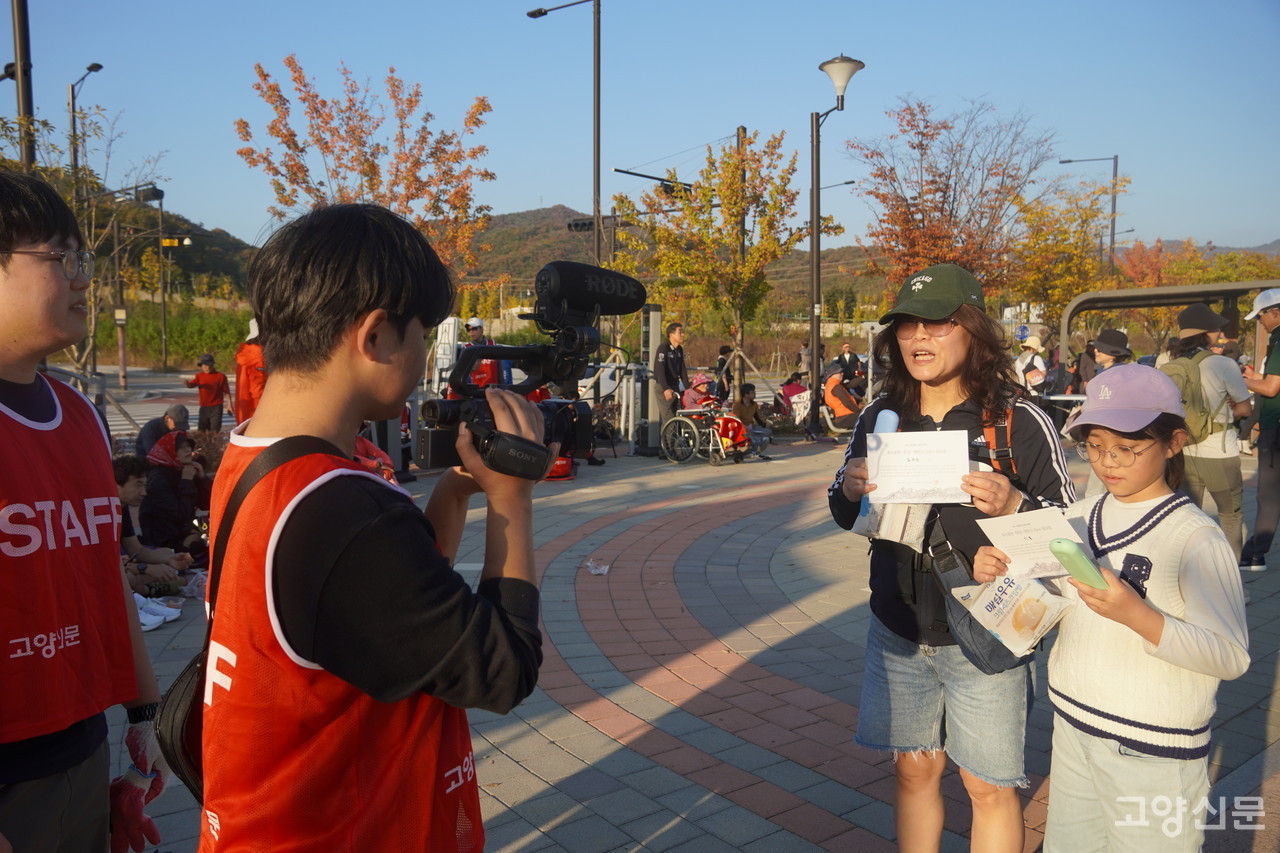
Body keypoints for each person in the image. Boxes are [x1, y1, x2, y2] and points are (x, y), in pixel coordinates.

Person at [198, 203, 546, 850]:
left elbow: (393, 609)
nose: (423, 355)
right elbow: (502, 669)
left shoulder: (257, 457)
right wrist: (513, 500)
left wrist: (457, 487)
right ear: (377, 335)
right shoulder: (341, 508)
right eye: (423, 332)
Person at [828, 263, 1074, 853]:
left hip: (989, 632)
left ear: (973, 331)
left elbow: (1069, 533)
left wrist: (1015, 504)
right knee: (913, 770)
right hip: (898, 631)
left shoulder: (1018, 420)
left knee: (988, 786)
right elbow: (843, 511)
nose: (918, 338)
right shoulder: (879, 417)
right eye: (908, 325)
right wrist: (851, 488)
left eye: (937, 324)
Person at [977, 364, 1249, 851]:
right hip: (1074, 727)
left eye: (1126, 447)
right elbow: (1056, 601)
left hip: (1154, 751)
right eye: (1095, 445)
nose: (1108, 462)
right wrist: (1003, 574)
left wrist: (1137, 615)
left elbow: (1230, 656)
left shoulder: (1195, 538)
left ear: (1173, 443)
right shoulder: (1079, 516)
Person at [0, 169, 168, 852]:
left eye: (83, 259)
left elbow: (105, 572)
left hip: (81, 745)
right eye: (61, 258)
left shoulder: (79, 415)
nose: (82, 278)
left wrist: (143, 709)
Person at [1167, 304, 1252, 562]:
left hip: (1184, 448)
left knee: (1187, 516)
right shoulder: (1224, 364)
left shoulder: (1174, 363)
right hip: (1219, 452)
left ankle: (1189, 575)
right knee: (1230, 515)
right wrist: (1233, 408)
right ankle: (1231, 581)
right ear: (1206, 333)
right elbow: (1246, 409)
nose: (1219, 333)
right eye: (1215, 328)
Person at [113, 455, 194, 596]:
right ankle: (144, 593)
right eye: (138, 485)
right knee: (130, 577)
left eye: (144, 485)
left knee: (167, 555)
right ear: (116, 484)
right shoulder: (101, 510)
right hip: (107, 569)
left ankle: (145, 589)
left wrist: (169, 559)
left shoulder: (122, 507)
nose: (144, 493)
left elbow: (136, 549)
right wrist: (144, 568)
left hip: (122, 562)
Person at [1240, 287, 1280, 572]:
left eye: (1261, 316)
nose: (1260, 323)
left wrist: (1243, 381)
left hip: (1275, 427)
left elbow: (1272, 387)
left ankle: (1254, 554)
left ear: (1273, 312)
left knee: (1268, 495)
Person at [139, 431, 209, 554]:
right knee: (200, 544)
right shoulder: (158, 478)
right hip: (163, 538)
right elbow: (179, 513)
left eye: (188, 446)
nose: (188, 450)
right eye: (181, 448)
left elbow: (207, 504)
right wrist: (186, 482)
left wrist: (202, 478)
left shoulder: (184, 470)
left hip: (183, 529)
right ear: (171, 452)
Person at [186, 353, 233, 432]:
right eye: (204, 365)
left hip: (216, 408)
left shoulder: (220, 376)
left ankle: (214, 444)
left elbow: (227, 392)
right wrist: (187, 384)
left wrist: (230, 405)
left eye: (209, 365)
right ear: (201, 366)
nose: (206, 368)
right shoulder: (199, 376)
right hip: (204, 408)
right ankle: (202, 444)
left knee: (215, 430)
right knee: (201, 431)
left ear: (213, 365)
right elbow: (191, 385)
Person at [653, 321, 688, 426]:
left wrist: (687, 387)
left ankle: (677, 442)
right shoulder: (663, 348)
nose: (682, 335)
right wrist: (665, 388)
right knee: (669, 420)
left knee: (679, 418)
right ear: (671, 334)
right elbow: (660, 369)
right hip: (664, 386)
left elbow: (682, 369)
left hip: (675, 385)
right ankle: (667, 442)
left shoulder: (679, 350)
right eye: (680, 332)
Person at [234, 320, 266, 423]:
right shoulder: (257, 357)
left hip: (245, 412)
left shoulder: (246, 352)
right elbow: (258, 391)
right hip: (256, 414)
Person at [731, 383, 772, 458]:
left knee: (768, 432)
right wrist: (744, 427)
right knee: (750, 436)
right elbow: (736, 419)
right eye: (752, 392)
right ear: (746, 394)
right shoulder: (737, 405)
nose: (755, 394)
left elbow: (758, 417)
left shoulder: (754, 404)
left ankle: (754, 451)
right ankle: (749, 449)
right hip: (741, 428)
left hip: (750, 427)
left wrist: (766, 424)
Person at [821, 361, 861, 430]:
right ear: (833, 375)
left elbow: (850, 384)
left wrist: (862, 377)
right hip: (844, 417)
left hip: (842, 417)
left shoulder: (831, 385)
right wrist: (859, 412)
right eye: (840, 372)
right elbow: (847, 402)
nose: (842, 374)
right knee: (869, 418)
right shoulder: (836, 387)